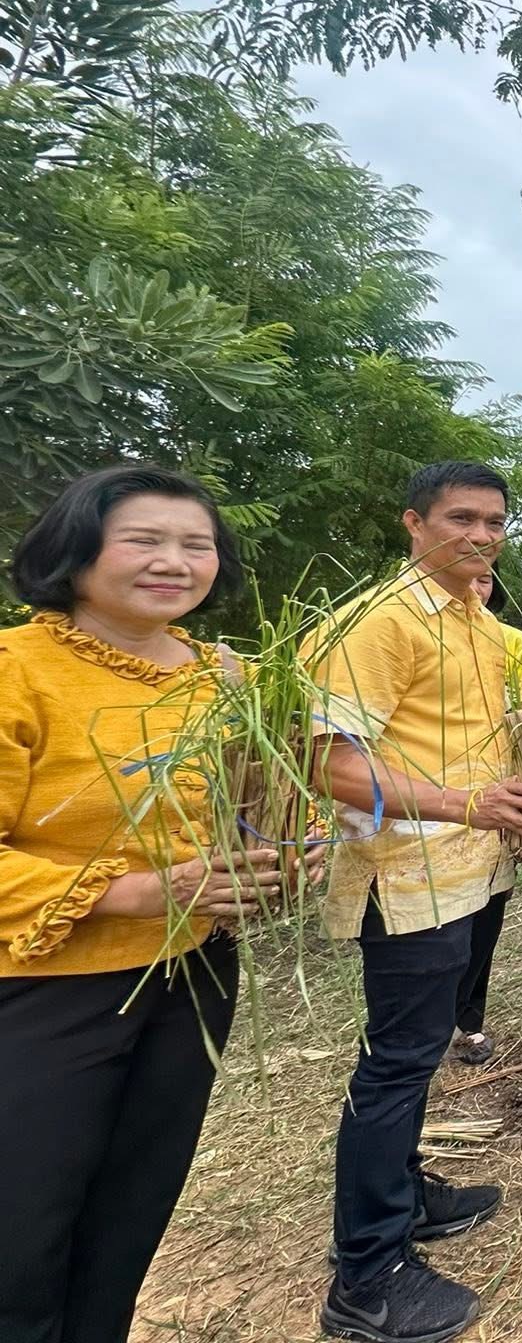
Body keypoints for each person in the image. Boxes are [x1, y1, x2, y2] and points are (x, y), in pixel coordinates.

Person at [0, 466, 287, 1343]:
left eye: (196, 545)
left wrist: (277, 850)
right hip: (47, 990)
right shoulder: (18, 671)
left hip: (192, 976)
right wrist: (136, 891)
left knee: (131, 1210)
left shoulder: (227, 677)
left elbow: (245, 800)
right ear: (76, 549)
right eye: (145, 540)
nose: (175, 561)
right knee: (23, 1232)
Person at [311, 461, 522, 1343]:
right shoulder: (378, 622)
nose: (480, 536)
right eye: (460, 519)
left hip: (474, 870)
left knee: (419, 1052)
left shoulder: (486, 627)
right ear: (413, 523)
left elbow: (494, 745)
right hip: (405, 877)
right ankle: (366, 1279)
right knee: (397, 1065)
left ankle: (408, 1195)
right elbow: (327, 759)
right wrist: (465, 805)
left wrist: (515, 812)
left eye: (494, 522)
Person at [449, 569, 522, 1069]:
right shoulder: (405, 631)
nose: (474, 589)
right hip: (431, 805)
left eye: (483, 580)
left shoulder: (513, 643)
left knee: (486, 918)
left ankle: (467, 1022)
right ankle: (426, 1022)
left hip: (499, 798)